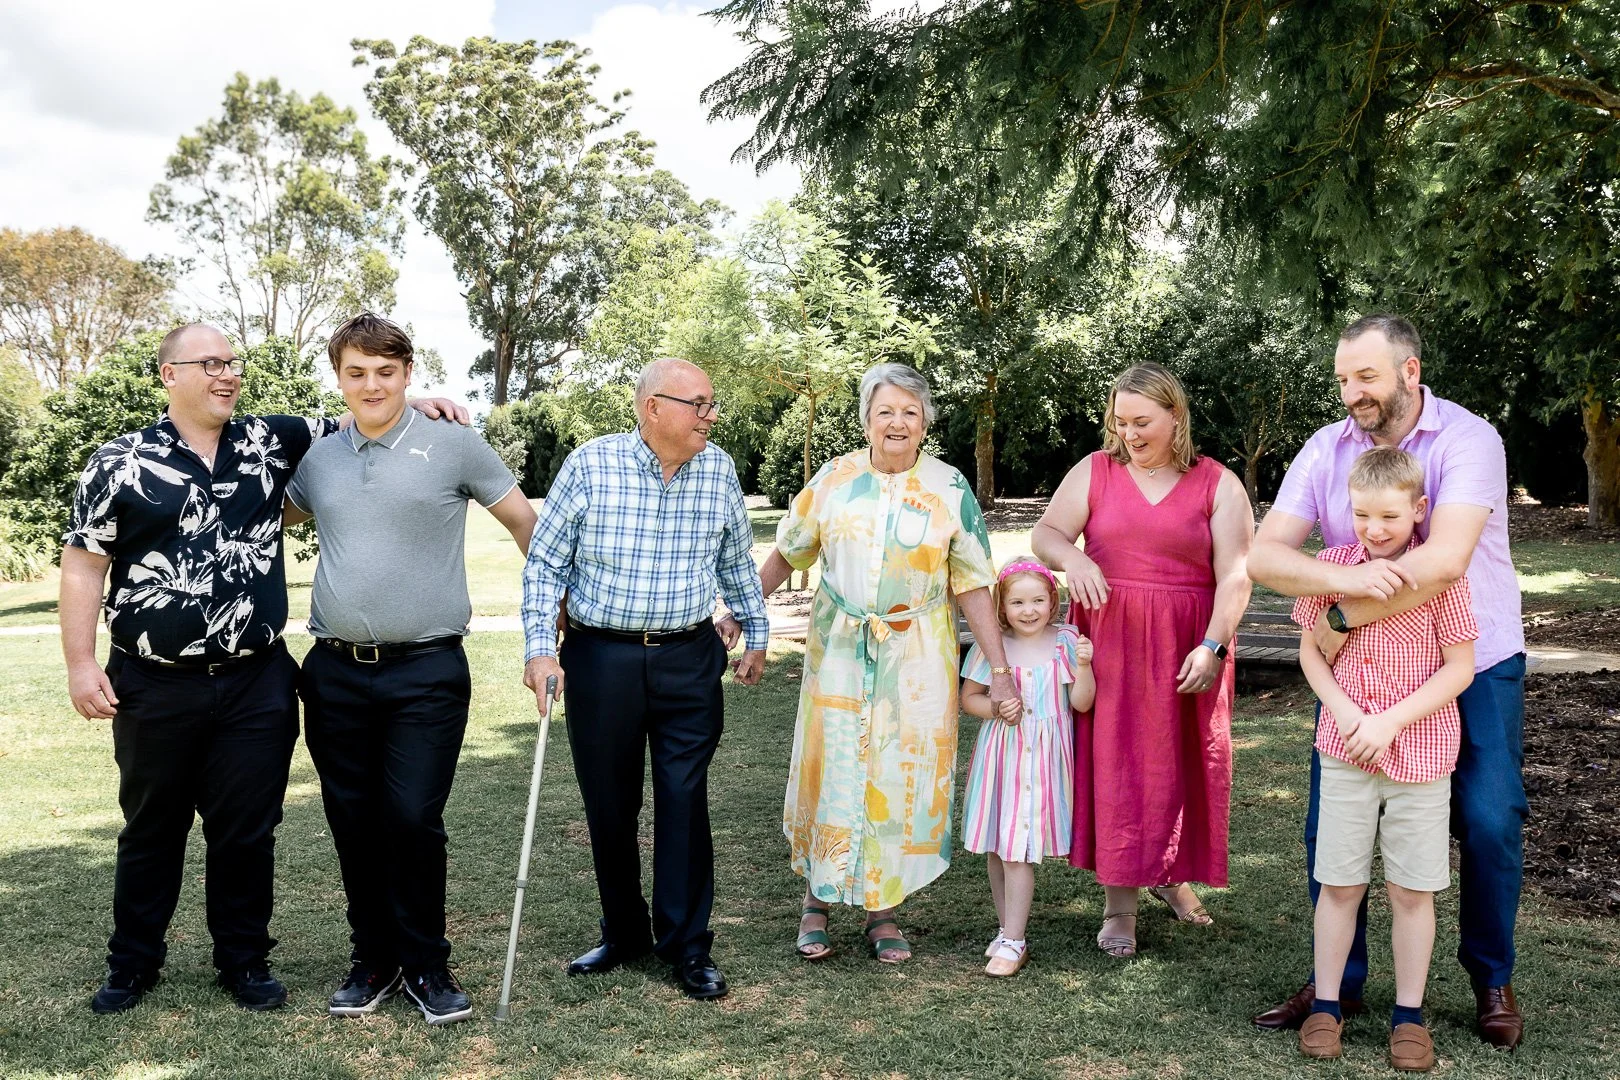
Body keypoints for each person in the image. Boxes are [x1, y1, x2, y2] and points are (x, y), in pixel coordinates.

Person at [60, 322, 465, 1014]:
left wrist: (424, 401)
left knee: (247, 829)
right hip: (154, 682)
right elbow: (84, 563)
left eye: (232, 363)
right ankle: (131, 965)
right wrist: (79, 663)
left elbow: (362, 409)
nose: (227, 374)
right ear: (170, 375)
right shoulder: (120, 462)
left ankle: (243, 963)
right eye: (210, 363)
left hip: (257, 679)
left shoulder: (270, 440)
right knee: (152, 826)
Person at [1247, 315, 1528, 1050]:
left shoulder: (1469, 439)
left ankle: (1489, 977)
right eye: (1343, 378)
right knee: (1330, 832)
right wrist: (1338, 597)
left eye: (1365, 376)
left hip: (1476, 655)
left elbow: (1443, 564)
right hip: (1356, 673)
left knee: (1491, 819)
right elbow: (1265, 559)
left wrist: (1338, 610)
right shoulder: (1326, 448)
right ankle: (1337, 987)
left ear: (1409, 371)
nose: (1351, 393)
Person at [283, 313, 536, 1025]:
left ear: (407, 373)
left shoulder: (454, 443)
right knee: (352, 822)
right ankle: (374, 961)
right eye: (356, 372)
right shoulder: (319, 457)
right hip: (332, 672)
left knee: (413, 818)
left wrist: (557, 615)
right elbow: (278, 518)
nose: (372, 385)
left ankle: (427, 964)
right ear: (338, 377)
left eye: (386, 372)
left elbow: (523, 522)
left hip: (426, 671)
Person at [520, 357, 767, 1001]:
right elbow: (545, 565)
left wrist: (758, 636)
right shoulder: (590, 464)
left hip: (690, 657)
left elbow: (736, 561)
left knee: (684, 798)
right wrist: (540, 648)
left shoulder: (719, 471)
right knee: (610, 800)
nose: (711, 417)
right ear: (652, 407)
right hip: (601, 658)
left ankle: (688, 945)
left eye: (713, 405)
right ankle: (625, 930)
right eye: (700, 405)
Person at [760, 362, 1017, 965]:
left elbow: (974, 583)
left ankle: (884, 911)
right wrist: (743, 615)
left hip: (918, 657)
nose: (897, 422)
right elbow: (788, 551)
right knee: (833, 764)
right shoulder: (833, 478)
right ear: (866, 420)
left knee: (898, 776)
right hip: (839, 656)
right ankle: (815, 904)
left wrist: (999, 667)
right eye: (885, 411)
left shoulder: (951, 488)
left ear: (926, 420)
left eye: (909, 411)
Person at [1033, 361, 1253, 957]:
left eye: (1142, 420)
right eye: (1121, 420)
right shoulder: (1096, 471)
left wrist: (1213, 645)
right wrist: (1074, 561)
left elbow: (1236, 574)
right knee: (1120, 765)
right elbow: (1047, 534)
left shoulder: (1217, 483)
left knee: (1176, 762)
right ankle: (1119, 907)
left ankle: (1169, 875)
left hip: (1187, 642)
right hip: (1111, 643)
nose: (1129, 432)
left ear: (1175, 415)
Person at [1292, 447, 1478, 1072]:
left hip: (1420, 755)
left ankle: (1409, 1016)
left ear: (1419, 510)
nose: (1375, 529)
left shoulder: (1437, 577)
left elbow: (1460, 667)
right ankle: (1325, 1004)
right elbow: (1311, 652)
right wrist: (1344, 713)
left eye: (1391, 516)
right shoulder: (1333, 567)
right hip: (1344, 751)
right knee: (1340, 882)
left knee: (1409, 888)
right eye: (1363, 514)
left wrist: (1394, 719)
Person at [959, 556, 1096, 977]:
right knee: (999, 850)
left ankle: (1015, 940)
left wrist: (1086, 666)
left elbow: (1082, 703)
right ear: (1002, 607)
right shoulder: (994, 646)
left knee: (1018, 850)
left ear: (1053, 600)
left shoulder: (1067, 642)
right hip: (1002, 757)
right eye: (1018, 603)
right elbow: (969, 699)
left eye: (1038, 600)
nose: (1029, 610)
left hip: (1044, 761)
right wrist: (997, 708)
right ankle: (1005, 930)